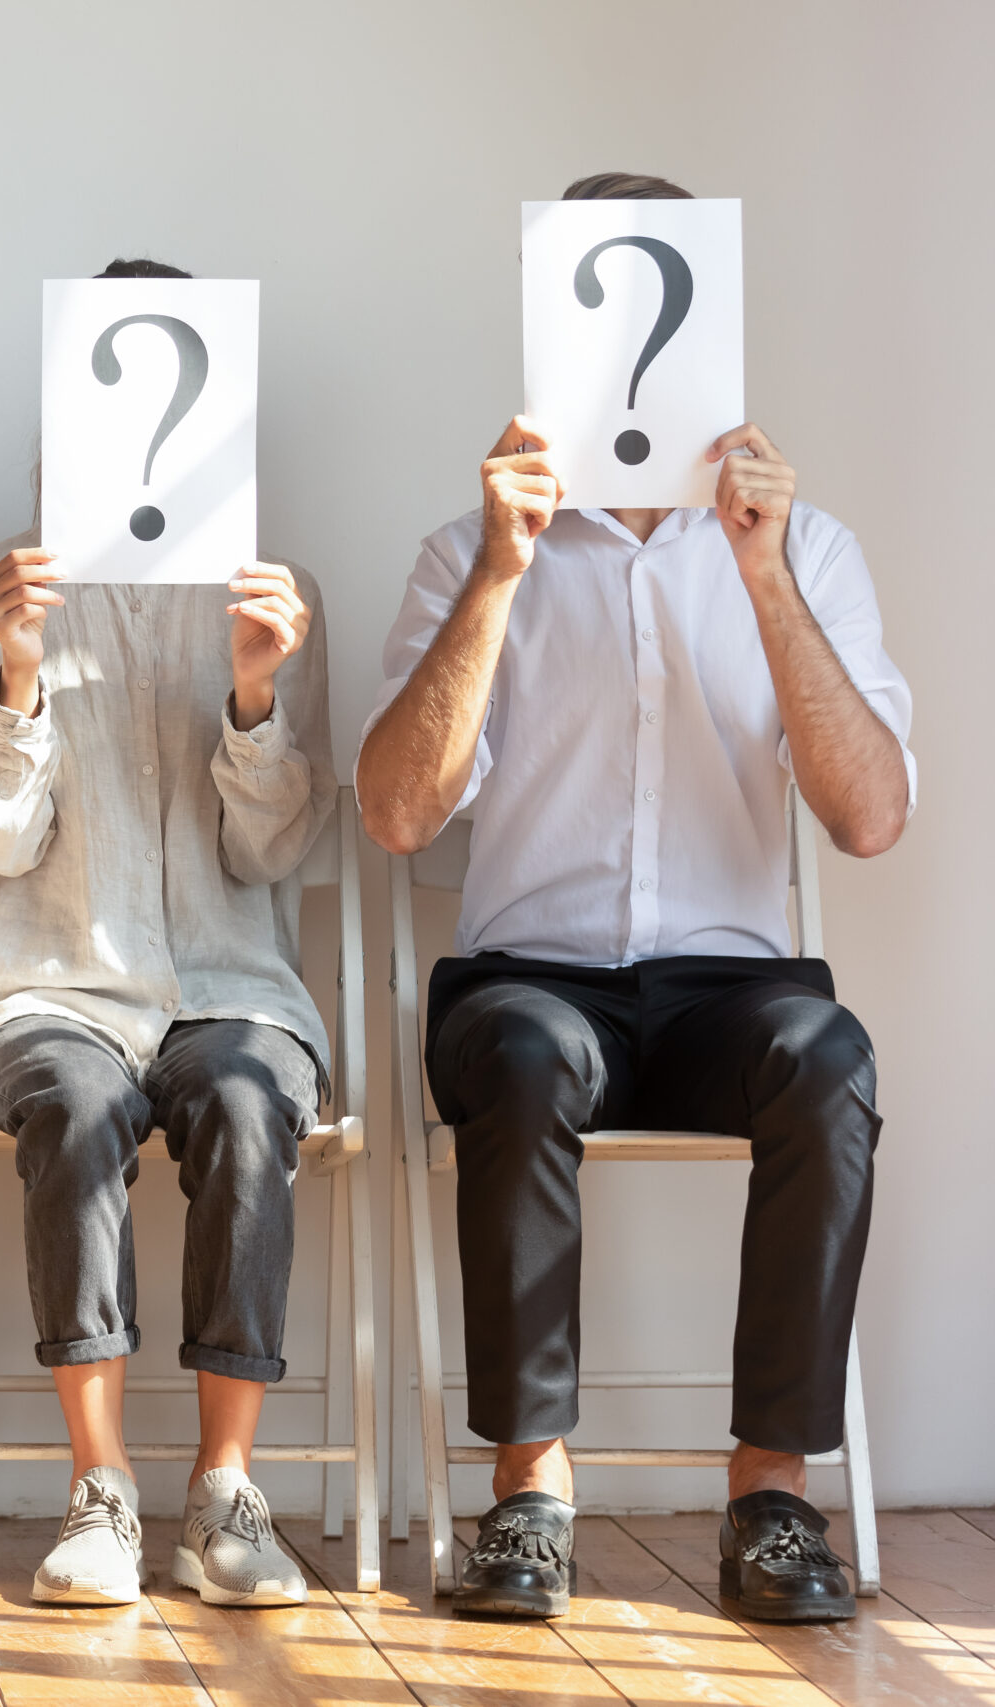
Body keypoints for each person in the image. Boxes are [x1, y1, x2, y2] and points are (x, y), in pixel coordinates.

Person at [356, 172, 910, 1625]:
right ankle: (529, 1495)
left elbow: (868, 815)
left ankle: (769, 1494)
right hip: (532, 979)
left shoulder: (813, 551)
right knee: (528, 1053)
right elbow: (399, 812)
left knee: (831, 1059)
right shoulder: (470, 549)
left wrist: (765, 575)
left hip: (736, 988)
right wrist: (497, 570)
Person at [0, 260, 334, 1608]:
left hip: (231, 988)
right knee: (81, 1094)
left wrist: (256, 690)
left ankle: (226, 1487)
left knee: (243, 1090)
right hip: (46, 991)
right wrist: (16, 675)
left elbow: (270, 853)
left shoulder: (269, 597)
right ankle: (99, 1486)